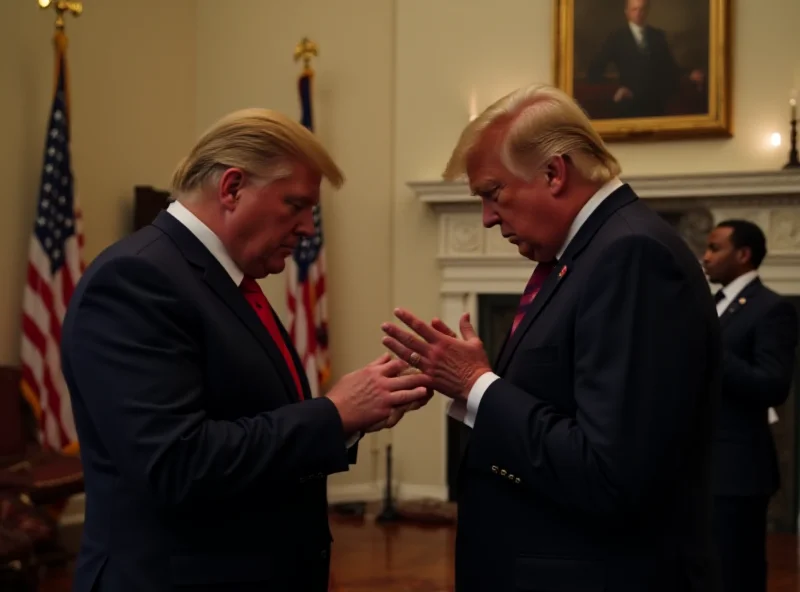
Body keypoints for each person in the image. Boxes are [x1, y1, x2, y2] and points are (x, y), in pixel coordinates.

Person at [60, 108, 432, 592]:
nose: (306, 230)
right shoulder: (136, 279)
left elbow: (250, 420)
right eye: (295, 205)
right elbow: (175, 464)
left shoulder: (225, 280)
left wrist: (352, 415)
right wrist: (332, 414)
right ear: (232, 188)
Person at [381, 84, 721, 591]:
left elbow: (609, 473)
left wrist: (477, 385)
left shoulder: (629, 255)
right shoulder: (585, 253)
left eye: (493, 194)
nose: (488, 218)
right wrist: (479, 383)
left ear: (553, 172)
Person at [703, 220, 798, 592]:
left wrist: (712, 352)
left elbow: (773, 385)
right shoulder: (713, 304)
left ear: (743, 255)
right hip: (701, 466)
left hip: (737, 470)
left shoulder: (771, 308)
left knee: (735, 573)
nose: (705, 257)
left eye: (715, 248)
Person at [585, 0, 705, 118]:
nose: (638, 13)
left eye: (642, 9)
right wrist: (615, 90)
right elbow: (593, 71)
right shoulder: (616, 38)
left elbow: (670, 68)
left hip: (656, 105)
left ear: (647, 11)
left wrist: (689, 73)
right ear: (627, 12)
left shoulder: (657, 36)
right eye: (634, 9)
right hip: (629, 106)